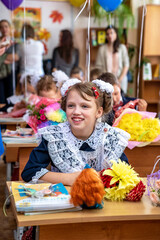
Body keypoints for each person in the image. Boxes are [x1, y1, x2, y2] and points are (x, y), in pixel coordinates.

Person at [21, 79, 130, 185]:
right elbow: (29, 172)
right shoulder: (55, 136)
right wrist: (69, 179)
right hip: (65, 199)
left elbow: (125, 174)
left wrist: (92, 177)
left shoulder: (111, 138)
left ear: (98, 112)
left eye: (84, 106)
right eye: (71, 106)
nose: (76, 112)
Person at [95, 25, 129, 94]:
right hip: (106, 81)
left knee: (120, 99)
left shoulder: (122, 48)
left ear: (116, 34)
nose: (110, 35)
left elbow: (126, 65)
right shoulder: (102, 49)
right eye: (107, 34)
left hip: (121, 80)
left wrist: (119, 80)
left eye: (112, 33)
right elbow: (98, 67)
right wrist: (105, 80)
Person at [0, 20, 19, 103]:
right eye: (1, 27)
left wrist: (2, 57)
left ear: (10, 28)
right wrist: (6, 58)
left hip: (12, 72)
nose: (4, 29)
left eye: (6, 26)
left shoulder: (15, 43)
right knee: (1, 98)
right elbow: (10, 57)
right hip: (0, 73)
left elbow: (16, 57)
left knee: (11, 97)